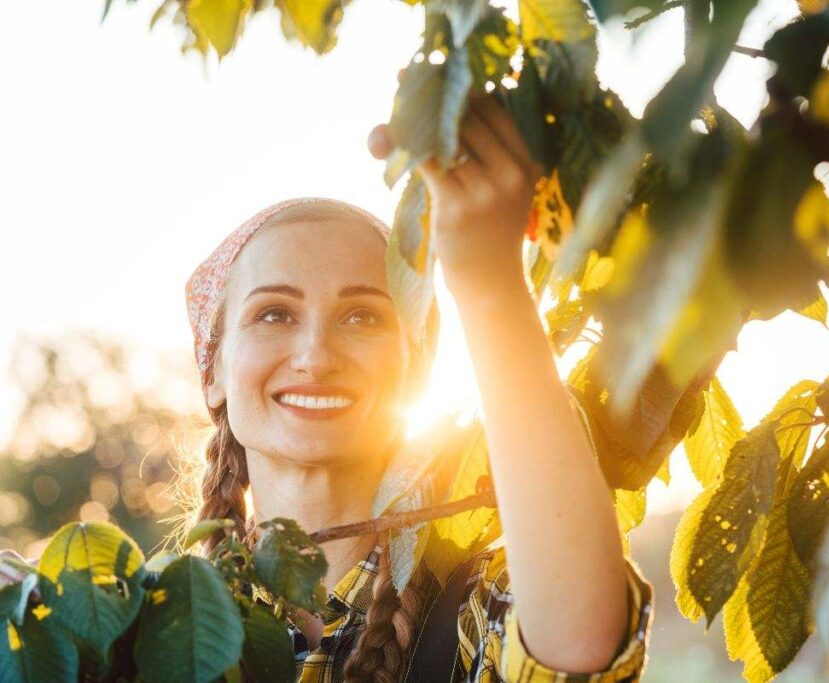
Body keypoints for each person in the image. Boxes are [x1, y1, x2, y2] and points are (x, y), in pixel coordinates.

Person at [5, 93, 655, 682]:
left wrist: (487, 279)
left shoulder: (474, 616)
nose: (316, 355)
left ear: (416, 366)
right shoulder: (130, 634)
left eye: (363, 315)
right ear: (212, 372)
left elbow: (582, 643)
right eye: (274, 313)